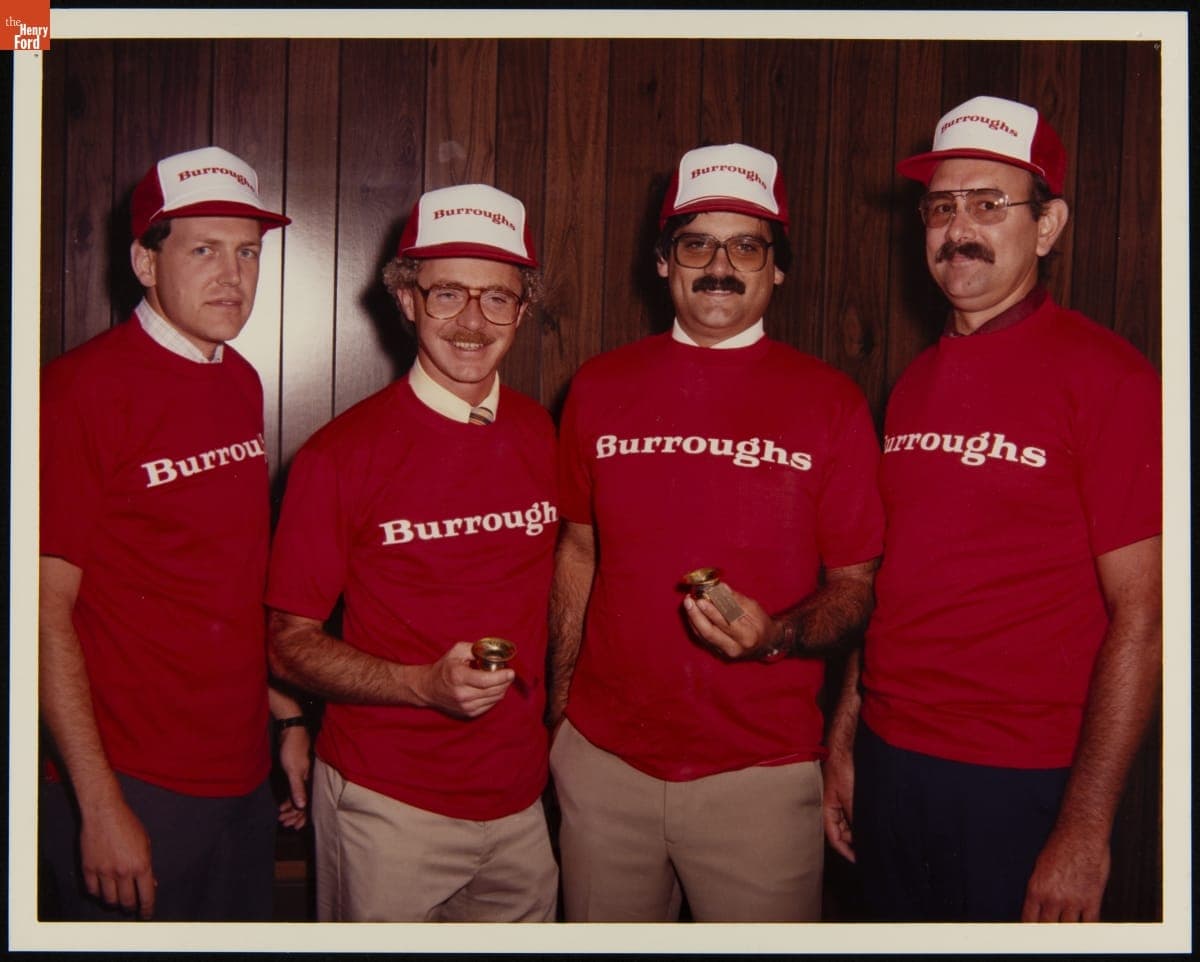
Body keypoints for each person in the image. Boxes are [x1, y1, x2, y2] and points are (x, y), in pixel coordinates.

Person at [822, 95, 1163, 923]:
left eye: (987, 204)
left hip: (1021, 781)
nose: (958, 228)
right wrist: (847, 733)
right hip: (892, 760)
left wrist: (1085, 829)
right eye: (941, 207)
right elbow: (896, 577)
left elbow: (1146, 617)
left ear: (1047, 227)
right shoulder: (915, 383)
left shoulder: (1112, 380)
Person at [548, 143, 885, 922]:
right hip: (605, 767)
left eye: (747, 247)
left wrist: (777, 635)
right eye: (697, 243)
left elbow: (856, 588)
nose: (720, 267)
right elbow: (578, 552)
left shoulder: (831, 403)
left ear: (777, 268)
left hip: (761, 776)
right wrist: (560, 712)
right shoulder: (598, 387)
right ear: (663, 261)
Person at [264, 183, 559, 922]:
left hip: (523, 803)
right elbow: (287, 644)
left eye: (498, 298)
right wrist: (419, 686)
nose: (472, 322)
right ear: (405, 299)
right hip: (386, 808)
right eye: (447, 293)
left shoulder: (544, 435)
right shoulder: (338, 457)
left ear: (523, 310)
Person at [39, 146, 311, 922]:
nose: (233, 275)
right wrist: (98, 805)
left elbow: (231, 577)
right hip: (131, 780)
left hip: (239, 771)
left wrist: (286, 714)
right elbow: (40, 613)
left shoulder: (239, 378)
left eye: (247, 252)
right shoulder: (77, 392)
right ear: (144, 262)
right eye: (203, 250)